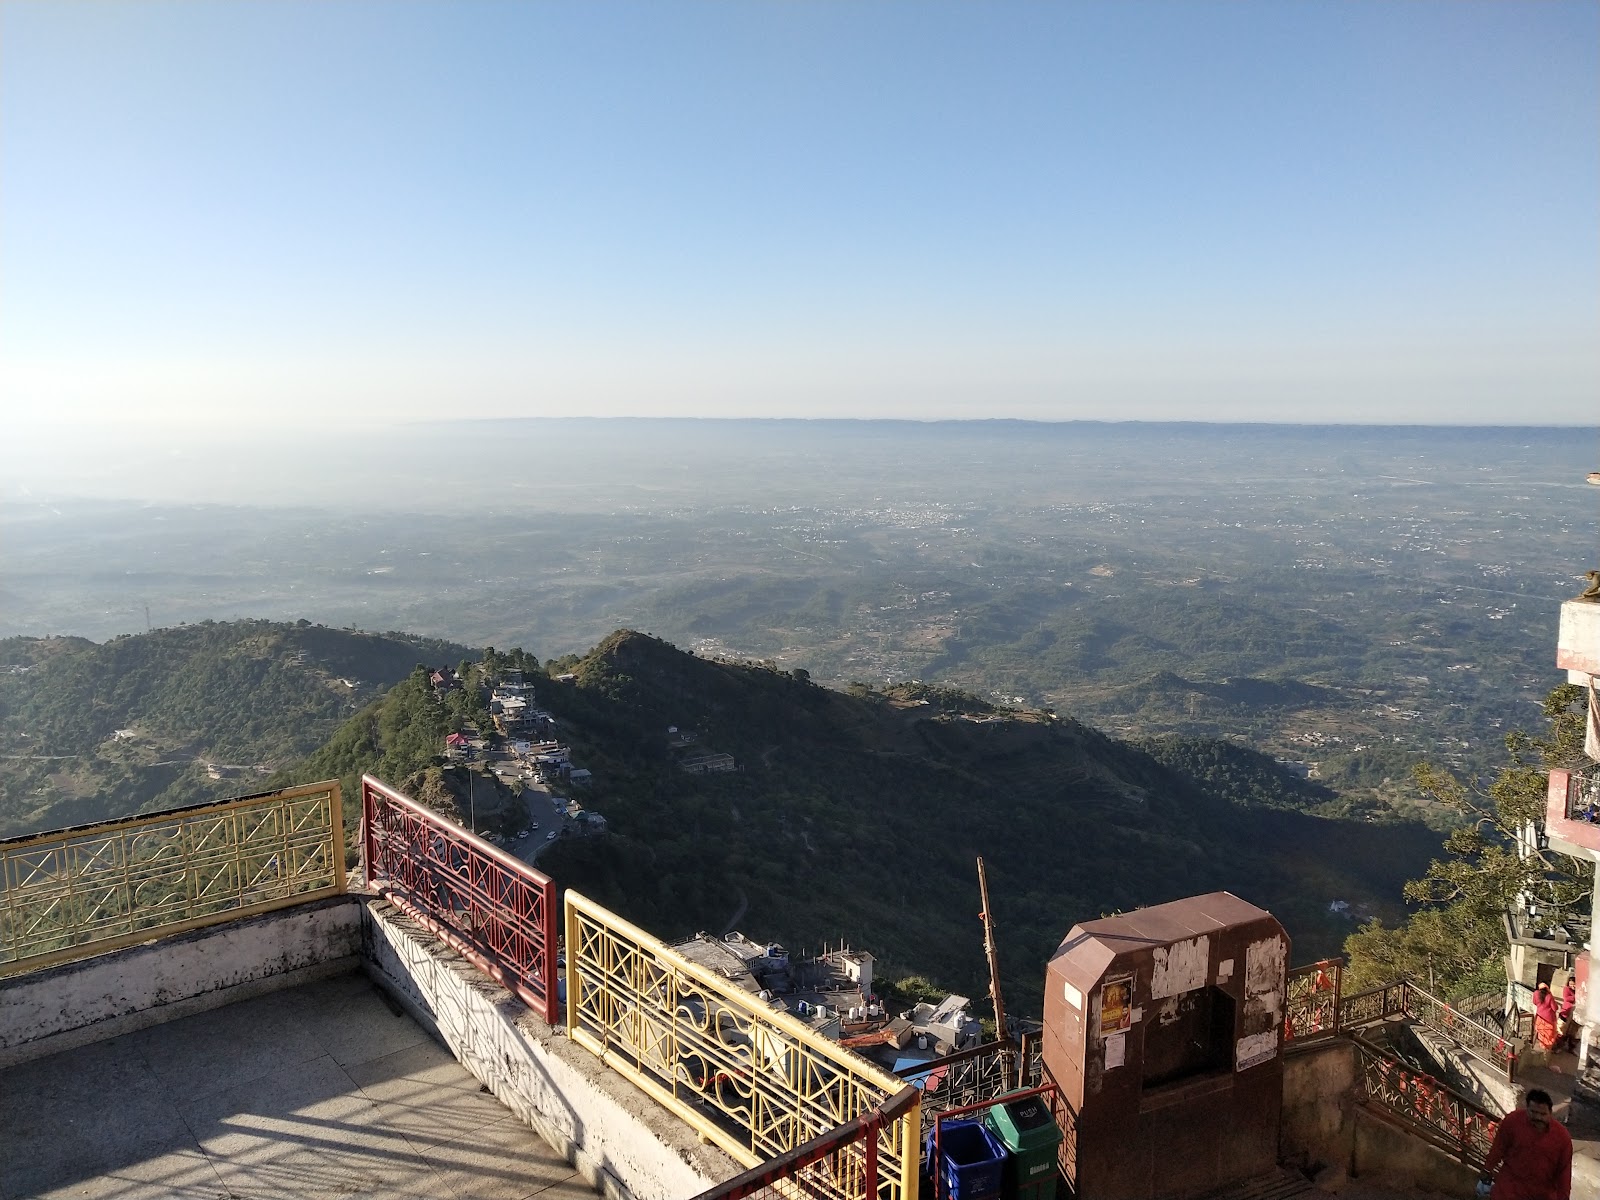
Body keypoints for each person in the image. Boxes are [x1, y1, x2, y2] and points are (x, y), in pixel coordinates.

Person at [1481, 1089, 1571, 1200]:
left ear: (1550, 1113)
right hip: (1508, 1189)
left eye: (1542, 1114)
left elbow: (1564, 1173)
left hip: (1541, 1194)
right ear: (1527, 1109)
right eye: (1533, 1112)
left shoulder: (1562, 1137)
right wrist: (1486, 1171)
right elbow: (1498, 1148)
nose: (1538, 1117)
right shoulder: (1512, 1121)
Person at [1532, 983, 1561, 1057]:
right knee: (1549, 1035)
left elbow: (1534, 1002)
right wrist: (1550, 993)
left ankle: (1542, 1047)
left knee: (1541, 1033)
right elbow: (1555, 1008)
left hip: (1539, 1017)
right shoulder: (1549, 996)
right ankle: (1547, 1051)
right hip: (1549, 1020)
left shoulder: (1536, 993)